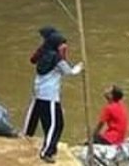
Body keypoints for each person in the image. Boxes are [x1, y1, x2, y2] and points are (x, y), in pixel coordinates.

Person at [23, 28, 83, 164]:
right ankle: (47, 152)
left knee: (43, 121)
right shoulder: (56, 58)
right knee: (55, 125)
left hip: (39, 93)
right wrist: (79, 67)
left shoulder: (43, 54)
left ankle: (30, 138)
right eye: (62, 44)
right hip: (49, 96)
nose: (65, 46)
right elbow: (69, 71)